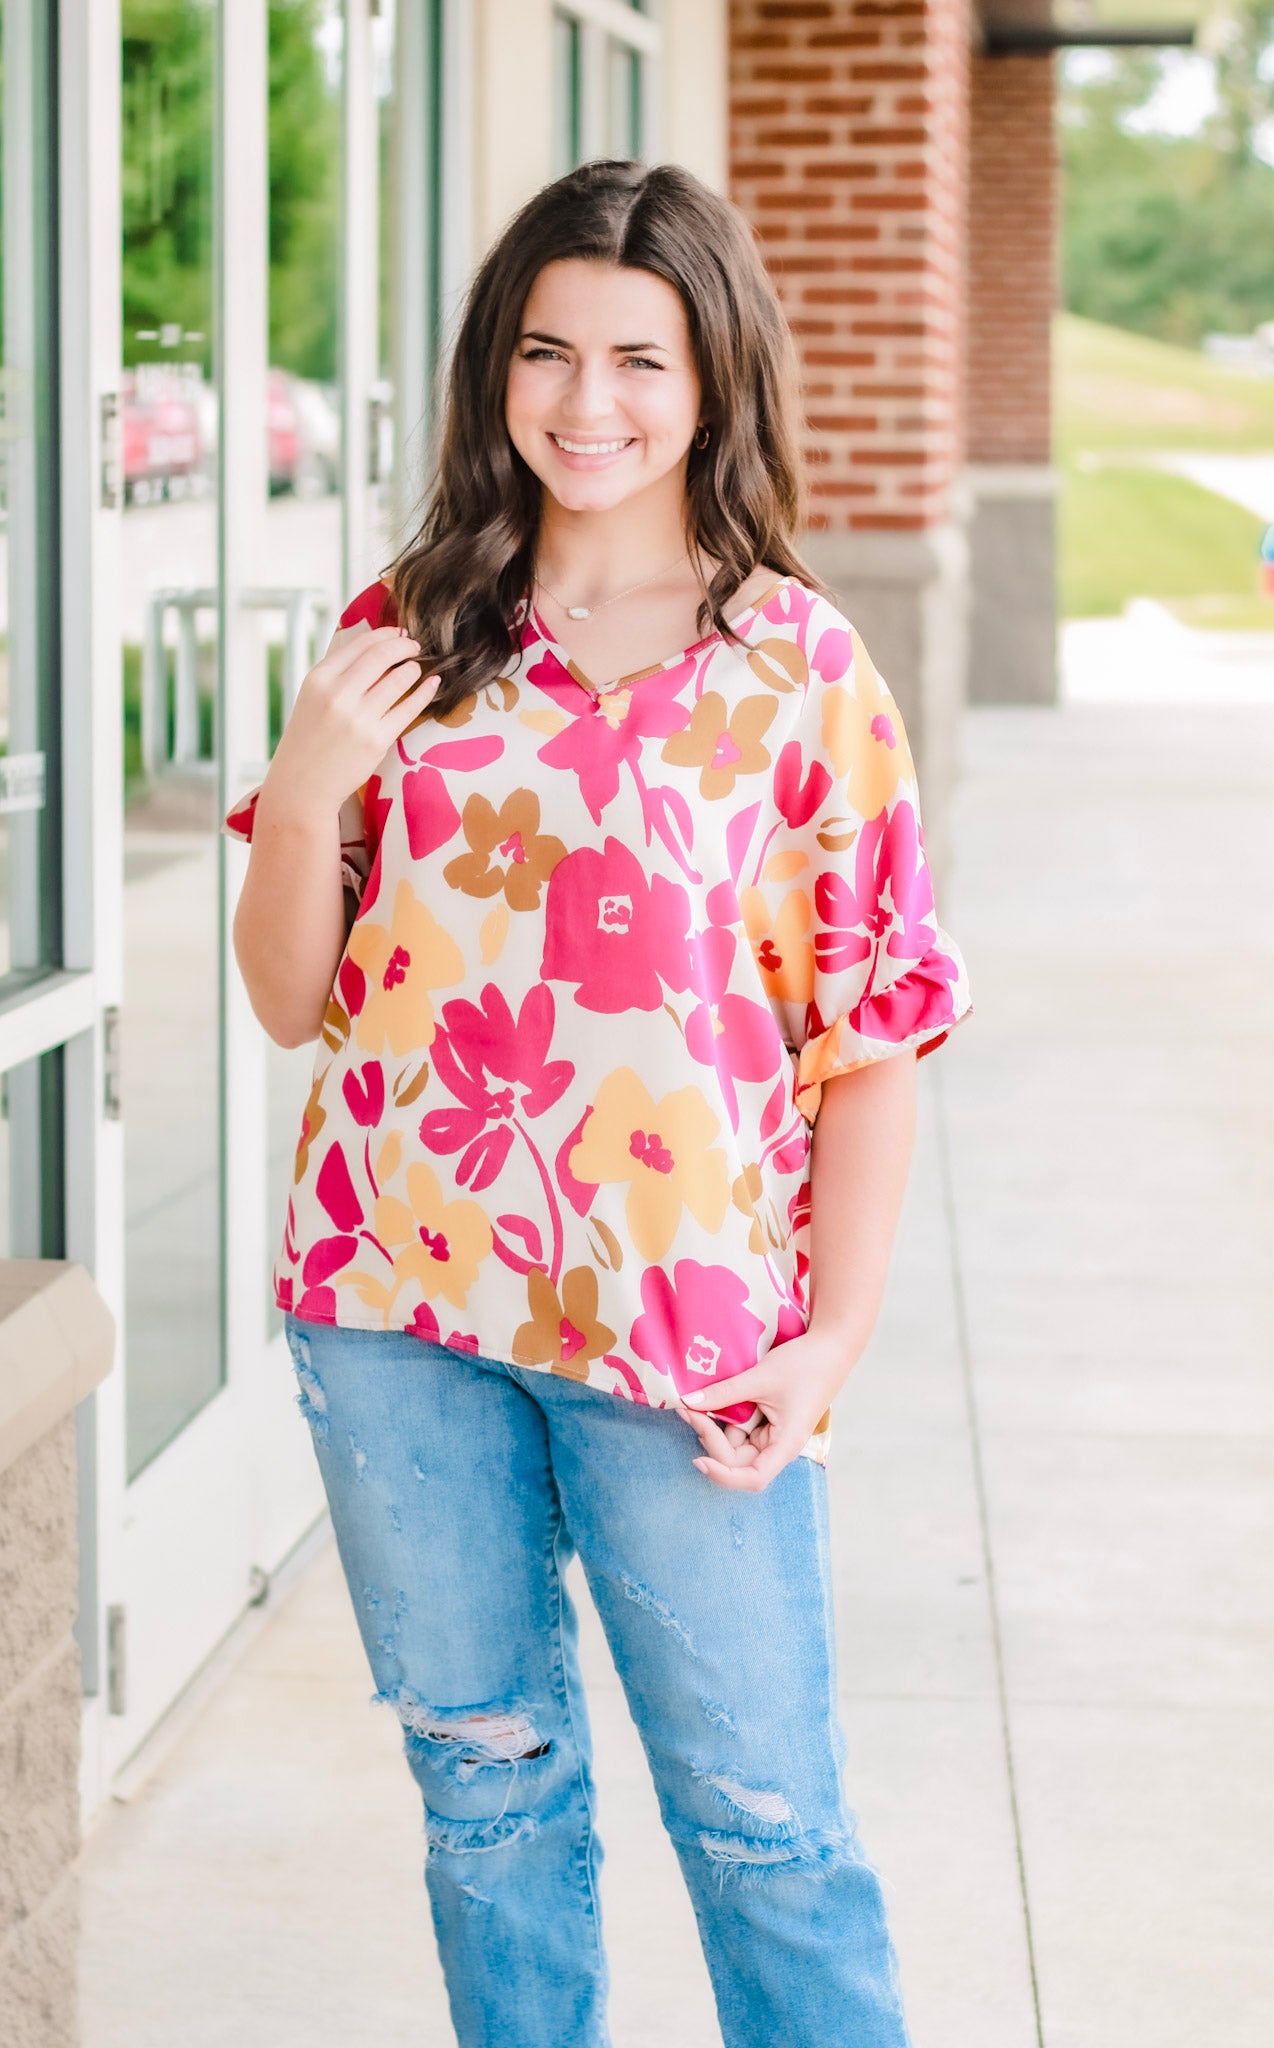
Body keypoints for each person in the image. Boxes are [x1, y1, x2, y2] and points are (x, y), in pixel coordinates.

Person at [226, 157, 971, 2048]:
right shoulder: (412, 625)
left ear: (713, 375)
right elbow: (293, 999)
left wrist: (836, 1335)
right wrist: (309, 793)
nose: (586, 403)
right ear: (497, 371)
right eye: (546, 353)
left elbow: (870, 1033)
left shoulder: (795, 664)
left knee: (763, 1822)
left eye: (638, 357)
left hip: (687, 1325)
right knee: (485, 1803)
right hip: (394, 1303)